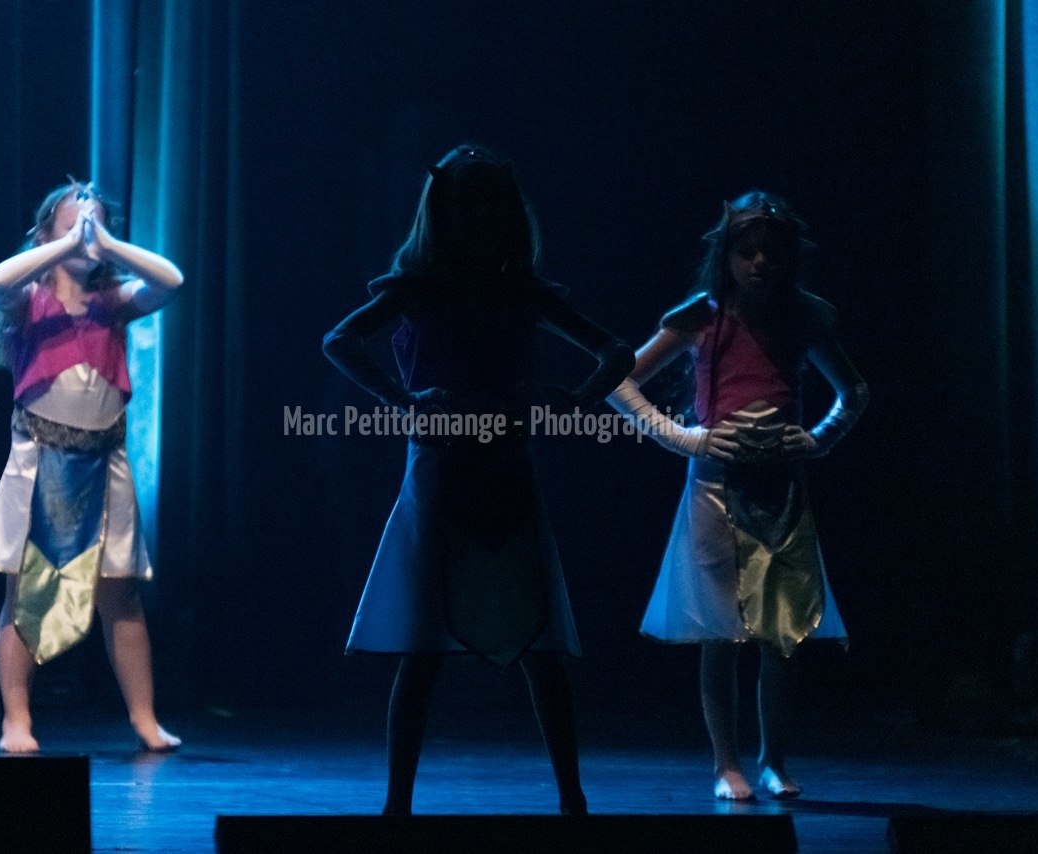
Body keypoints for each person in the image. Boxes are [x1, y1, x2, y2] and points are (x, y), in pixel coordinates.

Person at [323, 145, 634, 815]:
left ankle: (572, 799)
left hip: (507, 463)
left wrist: (572, 399)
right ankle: (398, 805)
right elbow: (339, 341)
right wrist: (404, 401)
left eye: (490, 202)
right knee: (424, 643)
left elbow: (618, 352)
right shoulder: (418, 287)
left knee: (538, 641)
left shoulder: (519, 288)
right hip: (439, 463)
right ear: (442, 209)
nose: (479, 215)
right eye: (465, 202)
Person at [608, 191, 868, 801]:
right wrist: (686, 438)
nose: (759, 263)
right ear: (725, 255)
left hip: (781, 488)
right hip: (714, 488)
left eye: (770, 253)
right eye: (747, 252)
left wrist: (817, 438)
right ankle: (726, 764)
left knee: (782, 633)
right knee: (719, 632)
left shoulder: (801, 317)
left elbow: (853, 391)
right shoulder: (702, 317)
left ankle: (773, 757)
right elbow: (620, 382)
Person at [0, 179, 184, 754]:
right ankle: (16, 719)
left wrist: (105, 244)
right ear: (45, 236)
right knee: (25, 597)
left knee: (121, 596)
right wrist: (66, 246)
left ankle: (144, 717)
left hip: (104, 464)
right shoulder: (27, 300)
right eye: (72, 226)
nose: (86, 236)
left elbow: (171, 281)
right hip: (38, 464)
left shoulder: (113, 302)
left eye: (95, 226)